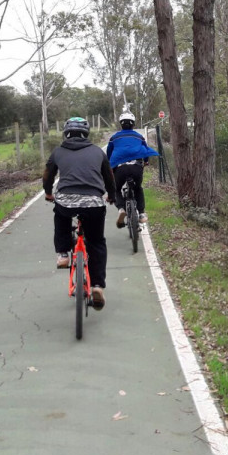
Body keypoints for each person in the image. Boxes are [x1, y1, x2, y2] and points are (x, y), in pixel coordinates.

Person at [43, 117, 116, 310]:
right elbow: (109, 176)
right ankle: (98, 285)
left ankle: (63, 254)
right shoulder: (97, 152)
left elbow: (48, 175)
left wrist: (49, 193)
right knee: (97, 242)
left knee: (60, 216)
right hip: (93, 202)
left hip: (66, 201)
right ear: (87, 134)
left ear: (66, 133)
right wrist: (112, 195)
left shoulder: (58, 151)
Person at [106, 111, 159, 229]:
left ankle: (120, 209)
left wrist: (110, 165)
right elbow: (145, 150)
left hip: (120, 168)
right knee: (138, 188)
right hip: (136, 167)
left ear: (121, 124)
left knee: (116, 189)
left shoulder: (114, 137)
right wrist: (145, 161)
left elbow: (109, 153)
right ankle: (141, 213)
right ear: (133, 124)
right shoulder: (139, 136)